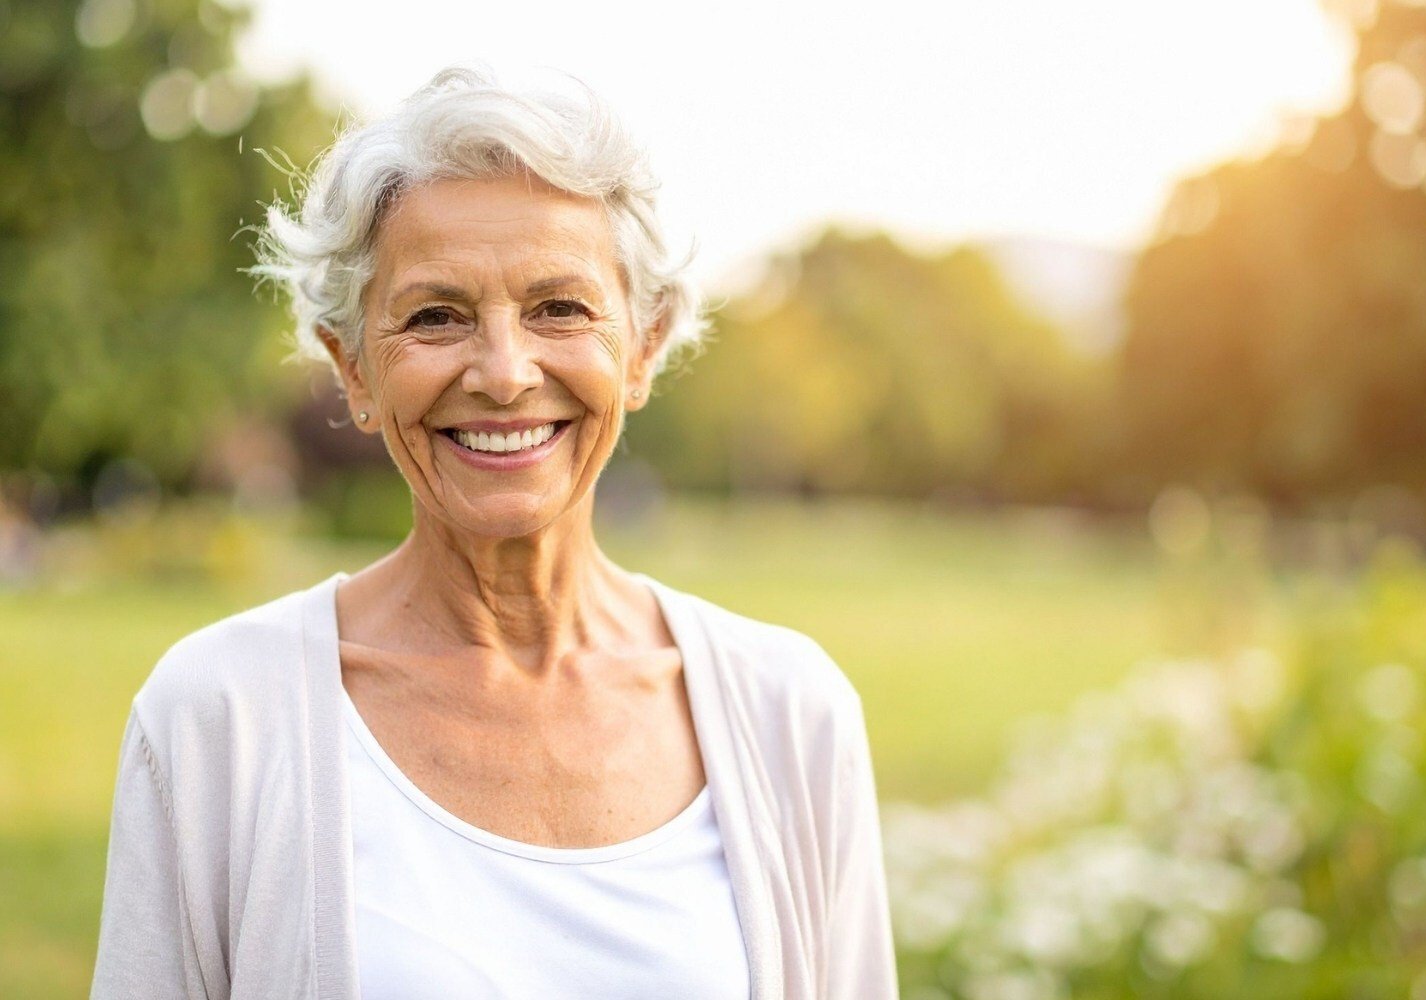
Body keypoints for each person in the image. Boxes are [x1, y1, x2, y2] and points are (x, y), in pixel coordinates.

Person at [90, 65, 898, 1000]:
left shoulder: (791, 713)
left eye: (560, 308)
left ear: (642, 349)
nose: (505, 373)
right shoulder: (216, 718)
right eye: (436, 316)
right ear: (353, 370)